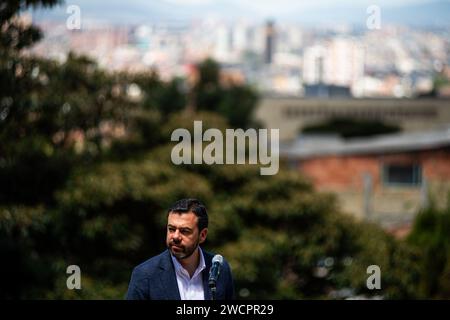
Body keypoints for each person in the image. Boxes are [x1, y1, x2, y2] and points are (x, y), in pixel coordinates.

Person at [126, 198, 235, 300]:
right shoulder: (145, 274)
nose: (175, 237)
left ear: (202, 235)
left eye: (185, 231)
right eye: (171, 229)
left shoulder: (219, 268)